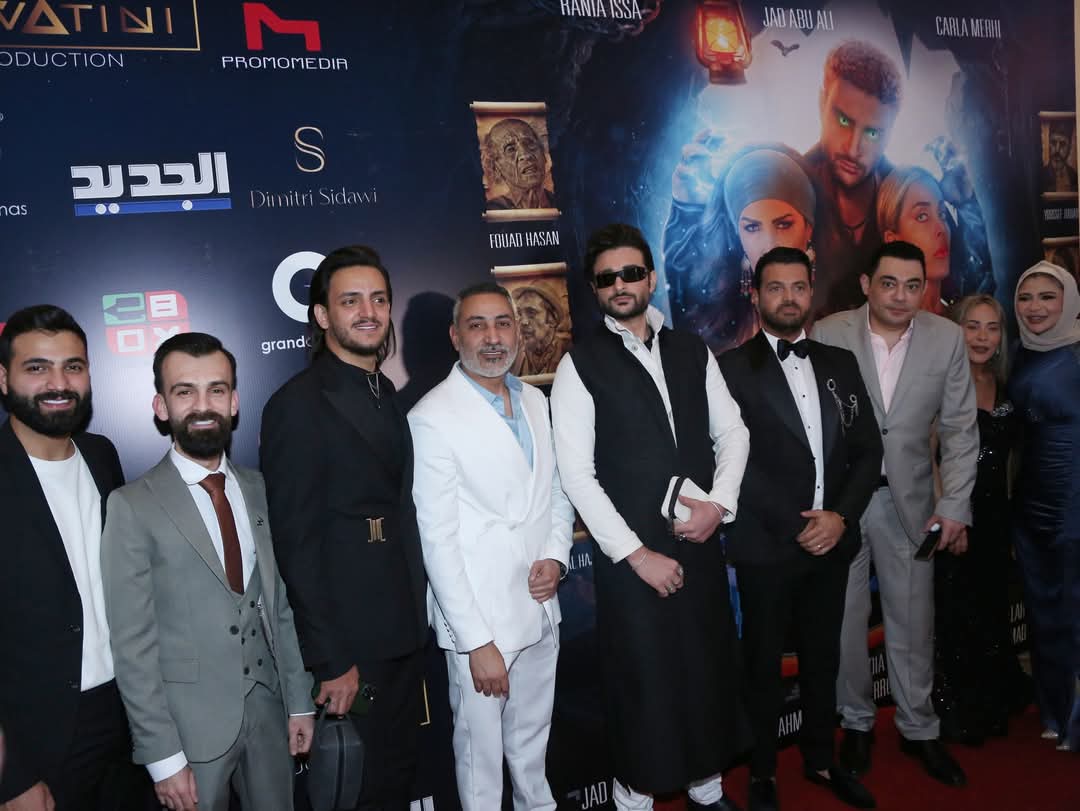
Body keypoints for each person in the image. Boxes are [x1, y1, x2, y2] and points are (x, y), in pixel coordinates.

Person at [551, 223, 750, 811]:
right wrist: (638, 557)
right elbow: (577, 476)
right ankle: (634, 800)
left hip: (701, 544)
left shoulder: (691, 349)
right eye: (607, 278)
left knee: (706, 669)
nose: (620, 285)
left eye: (631, 273)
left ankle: (707, 789)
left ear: (651, 277)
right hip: (630, 563)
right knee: (644, 684)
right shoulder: (580, 365)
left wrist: (720, 505)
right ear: (595, 288)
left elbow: (733, 433)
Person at [101, 332, 314, 811]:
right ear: (161, 407)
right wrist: (161, 756)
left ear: (234, 402)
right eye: (185, 392)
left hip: (270, 712)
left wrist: (300, 699)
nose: (203, 405)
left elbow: (280, 604)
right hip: (188, 734)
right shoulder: (131, 506)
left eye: (216, 390)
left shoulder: (260, 489)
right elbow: (132, 647)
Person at [260, 245, 429, 809]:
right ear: (321, 315)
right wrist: (330, 660)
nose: (368, 312)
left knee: (396, 781)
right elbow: (296, 544)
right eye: (350, 300)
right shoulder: (298, 405)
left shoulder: (386, 393)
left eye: (378, 299)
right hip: (352, 648)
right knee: (364, 792)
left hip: (403, 630)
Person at [665, 42, 992, 329]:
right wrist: (687, 212)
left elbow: (967, 292)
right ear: (823, 102)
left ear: (891, 130)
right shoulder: (780, 190)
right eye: (844, 120)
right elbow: (708, 303)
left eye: (872, 132)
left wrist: (967, 206)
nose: (853, 147)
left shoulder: (905, 198)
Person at [718, 247, 882, 811]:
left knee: (823, 659)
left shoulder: (840, 363)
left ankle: (821, 759)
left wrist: (840, 517)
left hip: (831, 543)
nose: (788, 298)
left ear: (811, 292)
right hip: (767, 546)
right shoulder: (730, 369)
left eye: (798, 287)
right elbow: (732, 464)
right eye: (775, 287)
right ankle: (762, 772)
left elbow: (868, 450)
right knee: (763, 665)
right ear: (755, 295)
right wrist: (797, 526)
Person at [812, 240, 978, 787]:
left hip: (911, 504)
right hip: (843, 505)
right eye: (889, 284)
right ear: (866, 285)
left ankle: (919, 729)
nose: (901, 296)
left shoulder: (946, 338)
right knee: (844, 622)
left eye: (913, 286)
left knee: (913, 623)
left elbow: (960, 430)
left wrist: (954, 505)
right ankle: (856, 723)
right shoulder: (828, 333)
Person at [409, 282, 574, 810]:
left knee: (532, 751)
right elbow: (436, 540)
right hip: (480, 622)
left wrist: (557, 556)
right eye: (477, 325)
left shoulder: (535, 400)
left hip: (540, 607)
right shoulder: (431, 416)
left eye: (503, 323)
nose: (492, 337)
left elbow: (555, 491)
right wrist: (474, 642)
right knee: (481, 768)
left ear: (518, 332)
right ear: (455, 336)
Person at [0, 305, 153, 811]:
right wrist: (9, 777)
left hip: (126, 723)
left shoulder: (101, 455)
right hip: (34, 742)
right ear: (3, 378)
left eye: (73, 366)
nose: (58, 383)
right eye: (37, 367)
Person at [931, 295, 1031, 745]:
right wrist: (950, 516)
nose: (982, 337)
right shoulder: (942, 383)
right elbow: (928, 456)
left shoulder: (1005, 382)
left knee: (991, 608)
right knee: (957, 612)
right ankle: (961, 707)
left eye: (992, 328)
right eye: (972, 326)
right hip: (956, 516)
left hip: (996, 517)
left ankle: (993, 696)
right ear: (955, 329)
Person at [1008, 262, 1080, 752]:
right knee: (1043, 610)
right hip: (1031, 500)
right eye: (1026, 297)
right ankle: (1055, 709)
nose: (1035, 307)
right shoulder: (1019, 352)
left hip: (1075, 499)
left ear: (1069, 301)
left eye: (1047, 297)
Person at [667, 143, 818, 354]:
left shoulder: (834, 318)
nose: (769, 244)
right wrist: (685, 209)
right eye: (752, 228)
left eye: (783, 225)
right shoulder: (717, 322)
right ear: (739, 235)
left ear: (808, 228)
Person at [877, 166, 951, 315]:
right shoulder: (878, 324)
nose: (941, 228)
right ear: (893, 241)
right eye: (922, 216)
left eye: (942, 214)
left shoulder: (966, 323)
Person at [483, 118, 556, 210]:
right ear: (496, 168)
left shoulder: (563, 204)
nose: (526, 155)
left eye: (530, 144)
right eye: (511, 149)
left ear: (543, 154)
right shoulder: (491, 210)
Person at [512, 285, 571, 377]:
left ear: (552, 318)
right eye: (519, 313)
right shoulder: (516, 356)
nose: (523, 322)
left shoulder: (569, 350)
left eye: (531, 313)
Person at [1040, 120, 1078, 193]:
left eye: (1062, 144)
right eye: (1053, 143)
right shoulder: (1041, 175)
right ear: (1049, 144)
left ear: (1069, 148)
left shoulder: (1074, 176)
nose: (1057, 150)